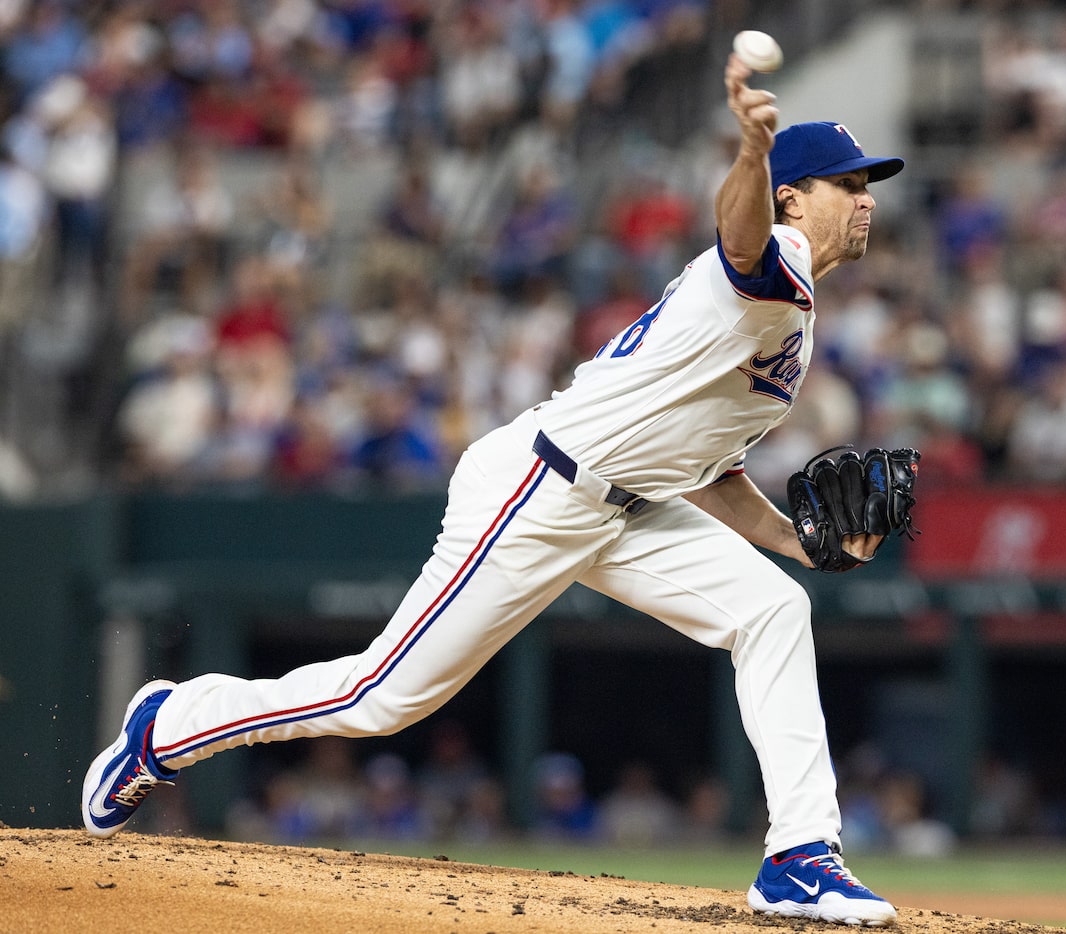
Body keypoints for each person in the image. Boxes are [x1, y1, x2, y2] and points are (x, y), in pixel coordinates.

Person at [81, 53, 903, 927]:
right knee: (380, 700)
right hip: (540, 490)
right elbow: (737, 233)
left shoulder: (795, 319)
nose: (867, 198)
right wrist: (749, 151)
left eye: (869, 183)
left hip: (631, 505)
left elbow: (706, 469)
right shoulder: (771, 257)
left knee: (772, 610)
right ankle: (168, 726)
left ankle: (800, 858)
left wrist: (795, 540)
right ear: (791, 197)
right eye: (846, 182)